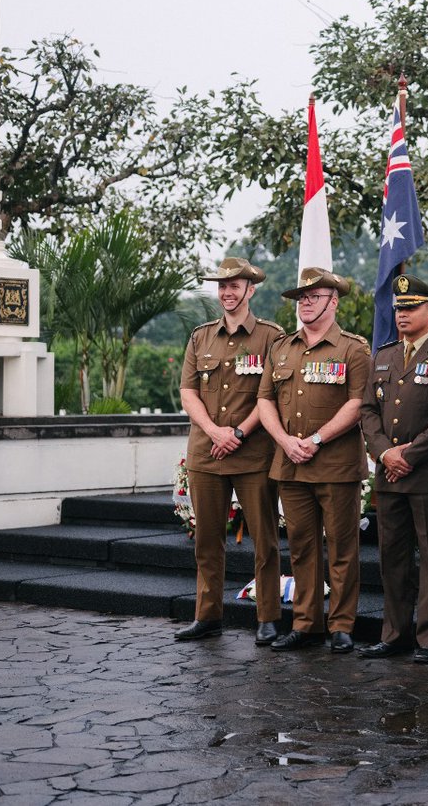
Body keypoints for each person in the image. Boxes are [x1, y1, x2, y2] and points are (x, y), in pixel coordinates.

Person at [255, 268, 370, 653]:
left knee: (341, 548)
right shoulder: (282, 347)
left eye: (313, 296)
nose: (304, 302)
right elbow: (264, 400)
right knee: (302, 548)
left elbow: (358, 403)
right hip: (290, 463)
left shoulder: (353, 348)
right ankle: (306, 623)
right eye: (301, 297)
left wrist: (317, 439)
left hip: (336, 465)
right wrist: (285, 440)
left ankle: (341, 625)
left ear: (333, 302)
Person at [174, 257, 285, 645]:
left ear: (250, 290)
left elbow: (271, 395)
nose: (227, 292)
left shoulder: (272, 336)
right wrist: (214, 431)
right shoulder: (200, 336)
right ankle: (207, 616)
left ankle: (268, 617)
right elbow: (188, 391)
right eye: (222, 287)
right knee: (206, 541)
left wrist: (237, 432)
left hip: (252, 452)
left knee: (265, 540)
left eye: (235, 286)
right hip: (206, 452)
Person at [358, 275, 428, 664]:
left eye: (411, 307)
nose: (402, 314)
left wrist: (409, 455)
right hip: (388, 475)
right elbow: (368, 411)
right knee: (393, 558)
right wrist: (385, 453)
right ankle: (395, 633)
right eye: (399, 308)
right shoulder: (382, 355)